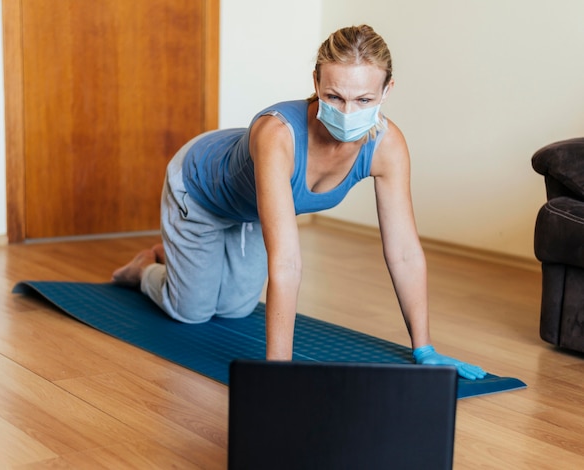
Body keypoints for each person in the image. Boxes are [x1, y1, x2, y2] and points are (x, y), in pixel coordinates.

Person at [113, 24, 486, 380]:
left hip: (253, 211)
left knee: (234, 309)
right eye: (334, 96)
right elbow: (287, 261)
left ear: (387, 91)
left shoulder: (387, 147)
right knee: (191, 311)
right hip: (200, 190)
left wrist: (423, 348)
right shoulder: (279, 135)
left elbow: (404, 252)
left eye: (364, 99)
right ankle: (145, 267)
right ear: (316, 83)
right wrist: (280, 373)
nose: (347, 112)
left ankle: (180, 259)